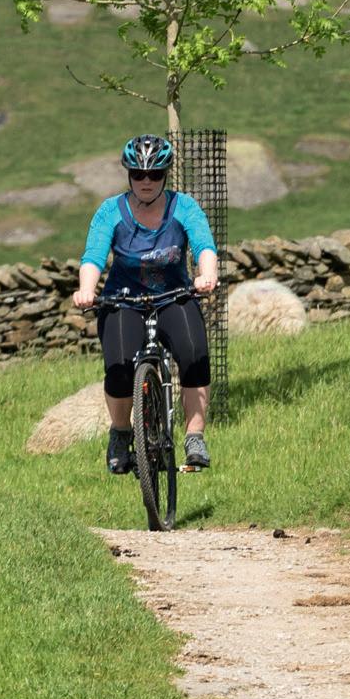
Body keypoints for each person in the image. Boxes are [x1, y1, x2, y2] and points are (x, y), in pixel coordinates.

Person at [73, 133, 218, 474]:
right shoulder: (111, 211)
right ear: (129, 175)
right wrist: (86, 290)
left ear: (165, 175)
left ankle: (194, 436)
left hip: (174, 295)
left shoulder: (184, 207)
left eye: (154, 174)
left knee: (194, 354)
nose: (146, 181)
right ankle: (121, 432)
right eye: (138, 174)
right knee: (119, 366)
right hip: (122, 300)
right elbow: (93, 256)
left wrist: (207, 275)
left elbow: (204, 245)